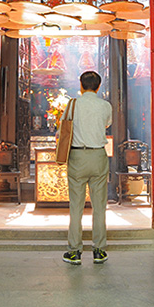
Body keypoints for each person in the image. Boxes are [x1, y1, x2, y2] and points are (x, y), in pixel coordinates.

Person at [62, 70, 112, 265]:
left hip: (77, 156)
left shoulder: (72, 105)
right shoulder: (105, 106)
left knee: (76, 207)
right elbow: (107, 124)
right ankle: (99, 250)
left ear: (81, 86)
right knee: (99, 207)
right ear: (98, 86)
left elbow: (64, 128)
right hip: (98, 155)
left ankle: (74, 251)